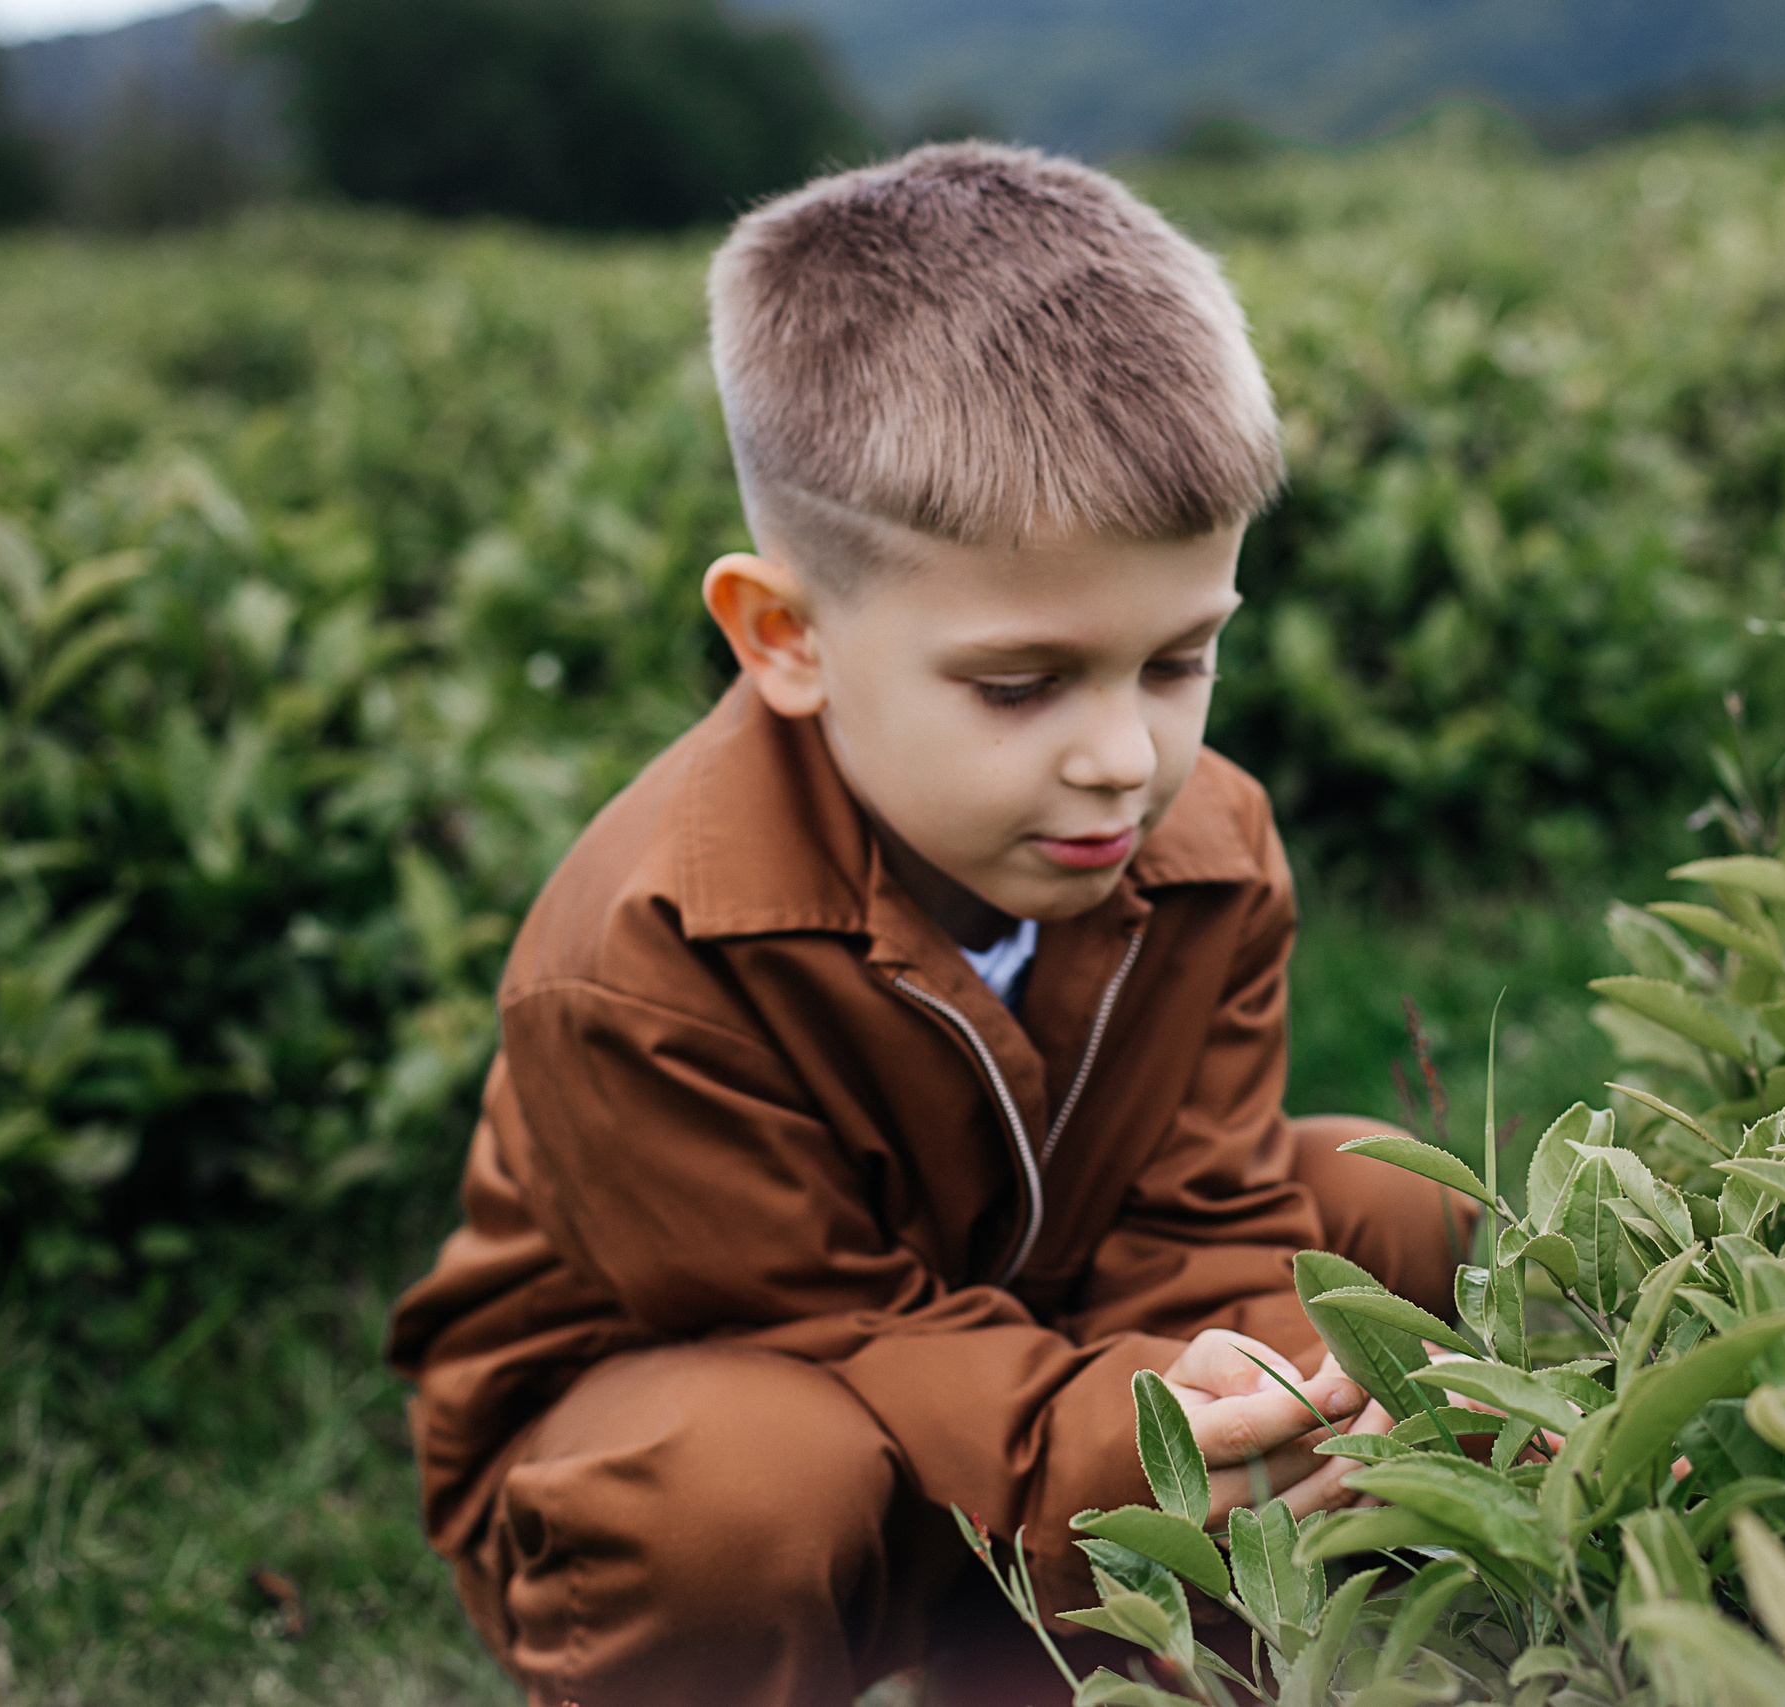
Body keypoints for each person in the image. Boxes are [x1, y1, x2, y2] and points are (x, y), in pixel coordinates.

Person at [386, 141, 1468, 1707]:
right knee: (755, 1488)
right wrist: (1140, 1441)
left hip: (1023, 1358)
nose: (1122, 757)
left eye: (1176, 663)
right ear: (787, 639)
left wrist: (1230, 1399)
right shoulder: (648, 957)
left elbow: (1205, 1218)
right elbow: (833, 1332)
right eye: (1022, 686)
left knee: (1377, 1206)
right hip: (686, 1442)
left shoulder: (1208, 846)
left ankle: (1097, 1667)